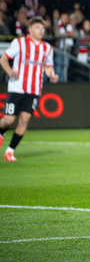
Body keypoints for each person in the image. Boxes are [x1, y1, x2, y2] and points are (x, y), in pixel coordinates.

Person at [0, 16, 59, 161]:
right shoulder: (20, 43)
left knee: (24, 120)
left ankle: (10, 151)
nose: (41, 30)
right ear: (30, 29)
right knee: (8, 120)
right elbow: (3, 59)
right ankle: (1, 133)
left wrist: (52, 75)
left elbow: (48, 67)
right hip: (17, 87)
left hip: (34, 90)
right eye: (38, 27)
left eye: (43, 28)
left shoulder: (47, 48)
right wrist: (9, 72)